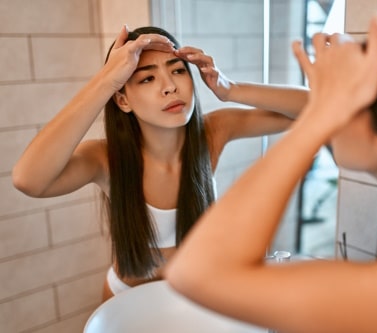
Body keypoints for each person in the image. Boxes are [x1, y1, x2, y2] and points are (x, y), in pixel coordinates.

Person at [166, 14, 377, 333]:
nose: (331, 104)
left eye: (352, 98)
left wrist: (319, 116)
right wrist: (230, 89)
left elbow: (198, 272)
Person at [11, 25, 308, 301]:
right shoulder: (105, 158)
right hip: (126, 299)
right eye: (147, 77)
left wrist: (229, 88)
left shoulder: (212, 133)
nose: (170, 87)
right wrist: (106, 80)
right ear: (122, 100)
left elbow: (316, 106)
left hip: (194, 290)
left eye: (178, 71)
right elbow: (29, 180)